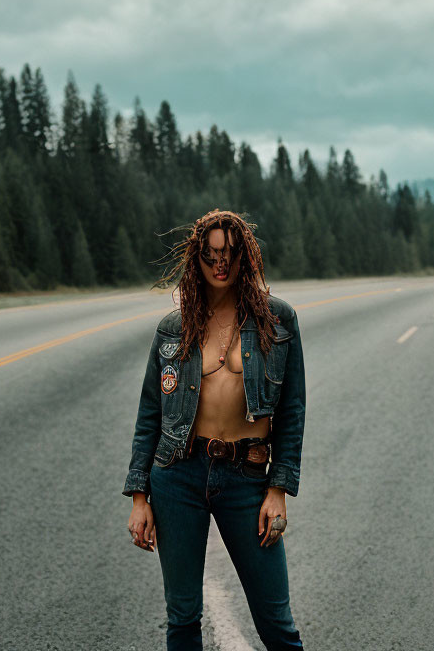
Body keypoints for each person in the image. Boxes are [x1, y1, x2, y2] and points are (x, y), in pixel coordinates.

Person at [123, 209, 305, 650]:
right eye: (210, 256)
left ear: (245, 255)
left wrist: (278, 488)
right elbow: (151, 415)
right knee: (183, 617)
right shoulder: (174, 328)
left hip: (246, 478)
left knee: (276, 620)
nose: (220, 264)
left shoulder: (277, 321)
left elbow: (292, 412)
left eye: (229, 253)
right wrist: (140, 497)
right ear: (196, 261)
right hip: (178, 477)